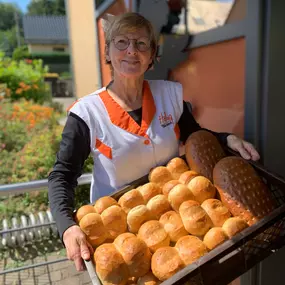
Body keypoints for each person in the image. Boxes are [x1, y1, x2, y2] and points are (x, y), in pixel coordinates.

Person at [48, 12, 260, 272]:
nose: (131, 51)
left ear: (152, 55)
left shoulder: (170, 94)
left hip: (178, 221)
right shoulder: (87, 113)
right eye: (121, 42)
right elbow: (62, 175)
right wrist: (67, 227)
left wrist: (227, 138)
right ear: (108, 51)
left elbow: (194, 133)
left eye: (141, 44)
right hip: (122, 234)